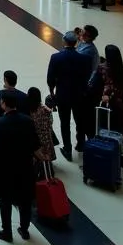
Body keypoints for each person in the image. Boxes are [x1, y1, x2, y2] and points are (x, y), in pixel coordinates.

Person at [0, 93, 38, 242]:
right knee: (25, 199)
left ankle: (7, 231)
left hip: (5, 167)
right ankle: (24, 229)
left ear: (4, 104)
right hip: (24, 166)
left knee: (5, 199)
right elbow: (35, 143)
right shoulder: (28, 121)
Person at [46, 30, 90, 160]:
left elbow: (50, 79)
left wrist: (52, 91)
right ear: (76, 43)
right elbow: (87, 76)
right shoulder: (85, 59)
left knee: (64, 122)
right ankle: (81, 144)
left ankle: (67, 148)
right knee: (79, 120)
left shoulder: (56, 57)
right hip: (79, 95)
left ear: (64, 41)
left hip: (63, 95)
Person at [99, 43, 123, 161]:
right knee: (122, 130)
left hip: (106, 106)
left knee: (106, 129)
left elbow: (95, 86)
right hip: (121, 105)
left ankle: (107, 153)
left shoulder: (102, 68)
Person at [25, 87, 55, 176]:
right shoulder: (46, 110)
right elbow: (50, 122)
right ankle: (48, 172)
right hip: (45, 137)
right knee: (46, 155)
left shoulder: (28, 111)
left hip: (35, 138)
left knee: (36, 156)